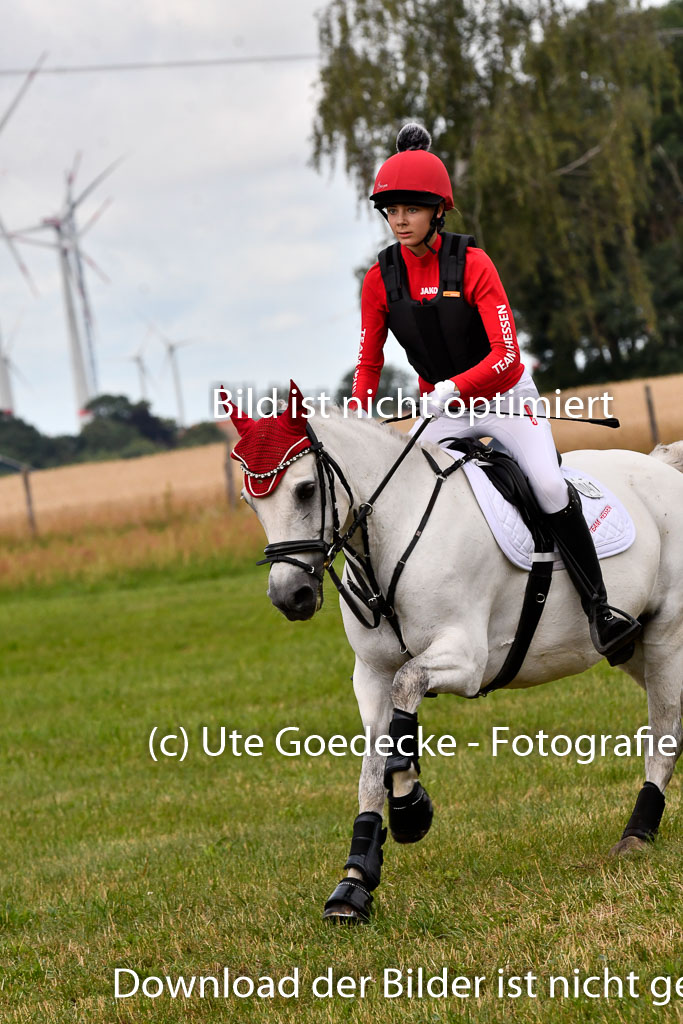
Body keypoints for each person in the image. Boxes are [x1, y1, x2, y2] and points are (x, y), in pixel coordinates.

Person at [351, 122, 640, 665]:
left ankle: (601, 608)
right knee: (390, 491)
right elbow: (368, 364)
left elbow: (507, 358)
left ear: (438, 210)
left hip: (506, 400)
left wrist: (453, 389)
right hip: (442, 411)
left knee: (551, 487)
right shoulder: (378, 280)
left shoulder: (475, 265)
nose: (399, 219)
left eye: (410, 208)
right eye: (390, 209)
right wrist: (356, 418)